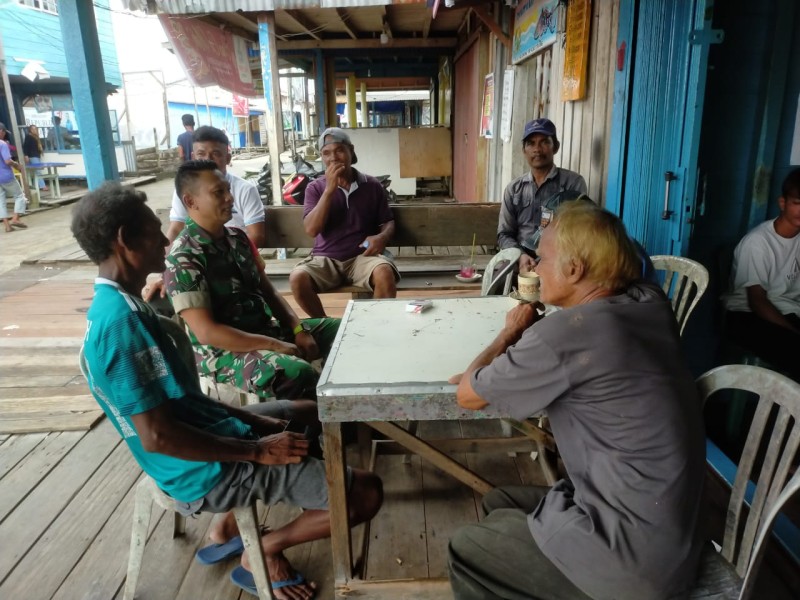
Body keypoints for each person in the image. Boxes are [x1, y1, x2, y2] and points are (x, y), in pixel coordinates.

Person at [72, 181, 382, 599]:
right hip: (199, 470)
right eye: (152, 229)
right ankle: (262, 550)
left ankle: (235, 526)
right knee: (365, 493)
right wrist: (257, 449)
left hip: (210, 431)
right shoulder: (122, 325)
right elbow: (158, 436)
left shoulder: (120, 307)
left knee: (309, 411)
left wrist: (254, 419)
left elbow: (185, 400)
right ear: (124, 240)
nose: (165, 238)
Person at [448, 201, 705, 600]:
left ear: (574, 269)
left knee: (465, 547)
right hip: (667, 533)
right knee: (500, 501)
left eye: (542, 259)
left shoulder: (565, 335)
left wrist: (509, 334)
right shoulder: (650, 301)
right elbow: (628, 260)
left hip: (631, 561)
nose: (533, 266)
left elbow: (468, 394)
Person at [164, 159, 340, 402]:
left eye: (227, 190)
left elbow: (269, 292)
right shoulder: (184, 257)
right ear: (190, 201)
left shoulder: (238, 239)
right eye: (219, 192)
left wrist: (297, 329)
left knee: (343, 332)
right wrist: (275, 345)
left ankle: (350, 417)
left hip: (264, 332)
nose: (229, 198)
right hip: (224, 353)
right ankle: (313, 434)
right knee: (297, 372)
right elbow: (207, 333)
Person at [143, 126, 266, 305]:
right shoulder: (187, 190)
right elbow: (176, 228)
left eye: (215, 153)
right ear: (193, 157)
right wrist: (167, 273)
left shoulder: (245, 190)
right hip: (198, 259)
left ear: (228, 158)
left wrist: (231, 260)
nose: (208, 159)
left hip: (237, 259)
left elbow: (257, 236)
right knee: (160, 297)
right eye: (201, 154)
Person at [289, 127, 399, 318]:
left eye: (339, 150)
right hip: (326, 259)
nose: (333, 158)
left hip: (362, 256)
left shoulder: (371, 185)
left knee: (384, 273)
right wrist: (329, 190)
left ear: (351, 150)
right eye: (326, 153)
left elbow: (387, 221)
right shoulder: (315, 188)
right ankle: (327, 326)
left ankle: (376, 326)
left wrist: (382, 237)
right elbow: (312, 229)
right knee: (297, 279)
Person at [722, 167, 800, 381]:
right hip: (747, 316)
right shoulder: (758, 242)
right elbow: (757, 301)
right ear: (783, 203)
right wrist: (793, 333)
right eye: (797, 203)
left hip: (787, 311)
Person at [497, 118, 588, 273]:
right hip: (519, 260)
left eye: (544, 142)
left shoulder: (573, 183)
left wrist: (546, 262)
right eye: (531, 143)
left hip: (559, 263)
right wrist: (520, 256)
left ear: (556, 147)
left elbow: (579, 233)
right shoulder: (514, 189)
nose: (537, 149)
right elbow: (504, 234)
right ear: (524, 150)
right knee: (496, 286)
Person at [0, 132, 28, 232]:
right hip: (6, 176)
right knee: (20, 196)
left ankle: (7, 226)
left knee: (1, 202)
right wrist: (17, 165)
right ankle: (15, 218)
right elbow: (8, 161)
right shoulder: (2, 144)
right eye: (4, 132)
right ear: (1, 131)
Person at [22, 125, 48, 192]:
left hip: (36, 155)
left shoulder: (36, 137)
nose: (35, 130)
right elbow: (25, 147)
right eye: (33, 129)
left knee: (36, 171)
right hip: (32, 156)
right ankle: (43, 186)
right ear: (30, 130)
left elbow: (38, 146)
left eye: (36, 129)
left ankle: (36, 185)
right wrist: (26, 155)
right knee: (38, 170)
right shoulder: (29, 137)